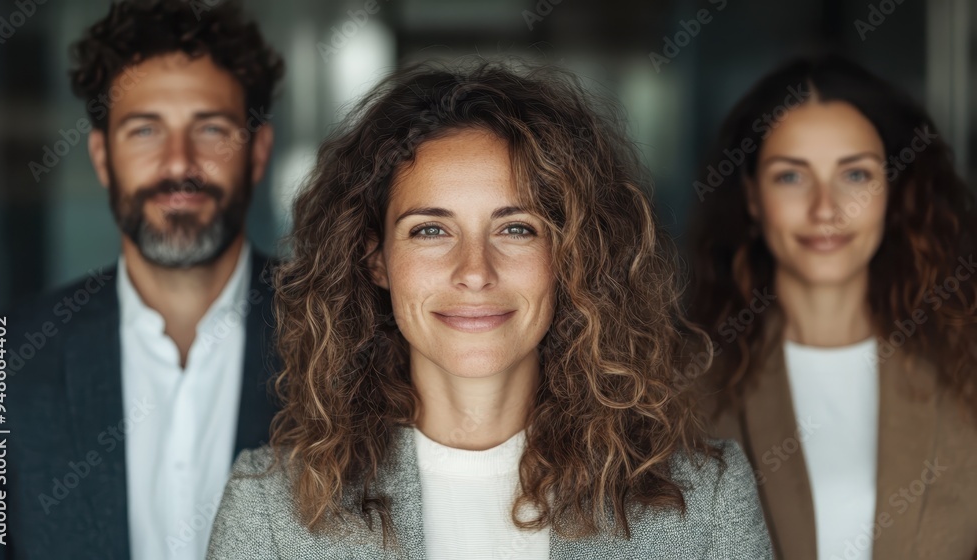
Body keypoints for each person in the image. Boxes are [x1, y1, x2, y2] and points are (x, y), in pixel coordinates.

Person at [205, 61, 772, 559]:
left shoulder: (704, 498)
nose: (475, 270)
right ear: (375, 259)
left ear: (571, 255)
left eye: (517, 228)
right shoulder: (269, 508)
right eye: (430, 230)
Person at [0, 1, 285, 558]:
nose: (178, 164)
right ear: (101, 157)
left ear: (257, 153)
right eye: (145, 130)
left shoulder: (350, 337)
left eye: (211, 128)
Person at [689, 54, 977, 559]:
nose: (826, 209)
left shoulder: (964, 364)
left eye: (856, 175)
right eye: (791, 177)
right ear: (752, 197)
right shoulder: (684, 384)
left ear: (893, 190)